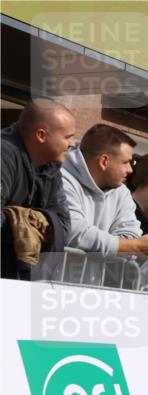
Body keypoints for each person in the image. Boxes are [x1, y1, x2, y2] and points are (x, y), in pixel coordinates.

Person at [62, 124, 148, 259]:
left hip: (95, 279)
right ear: (104, 161)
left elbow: (131, 233)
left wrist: (113, 246)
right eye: (126, 162)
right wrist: (134, 246)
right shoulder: (62, 180)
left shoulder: (122, 191)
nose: (130, 170)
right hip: (49, 278)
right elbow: (74, 232)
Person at [1, 98, 76, 279]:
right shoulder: (3, 154)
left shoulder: (51, 168)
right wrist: (20, 222)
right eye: (68, 137)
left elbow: (63, 226)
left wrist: (28, 221)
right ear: (41, 135)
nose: (73, 144)